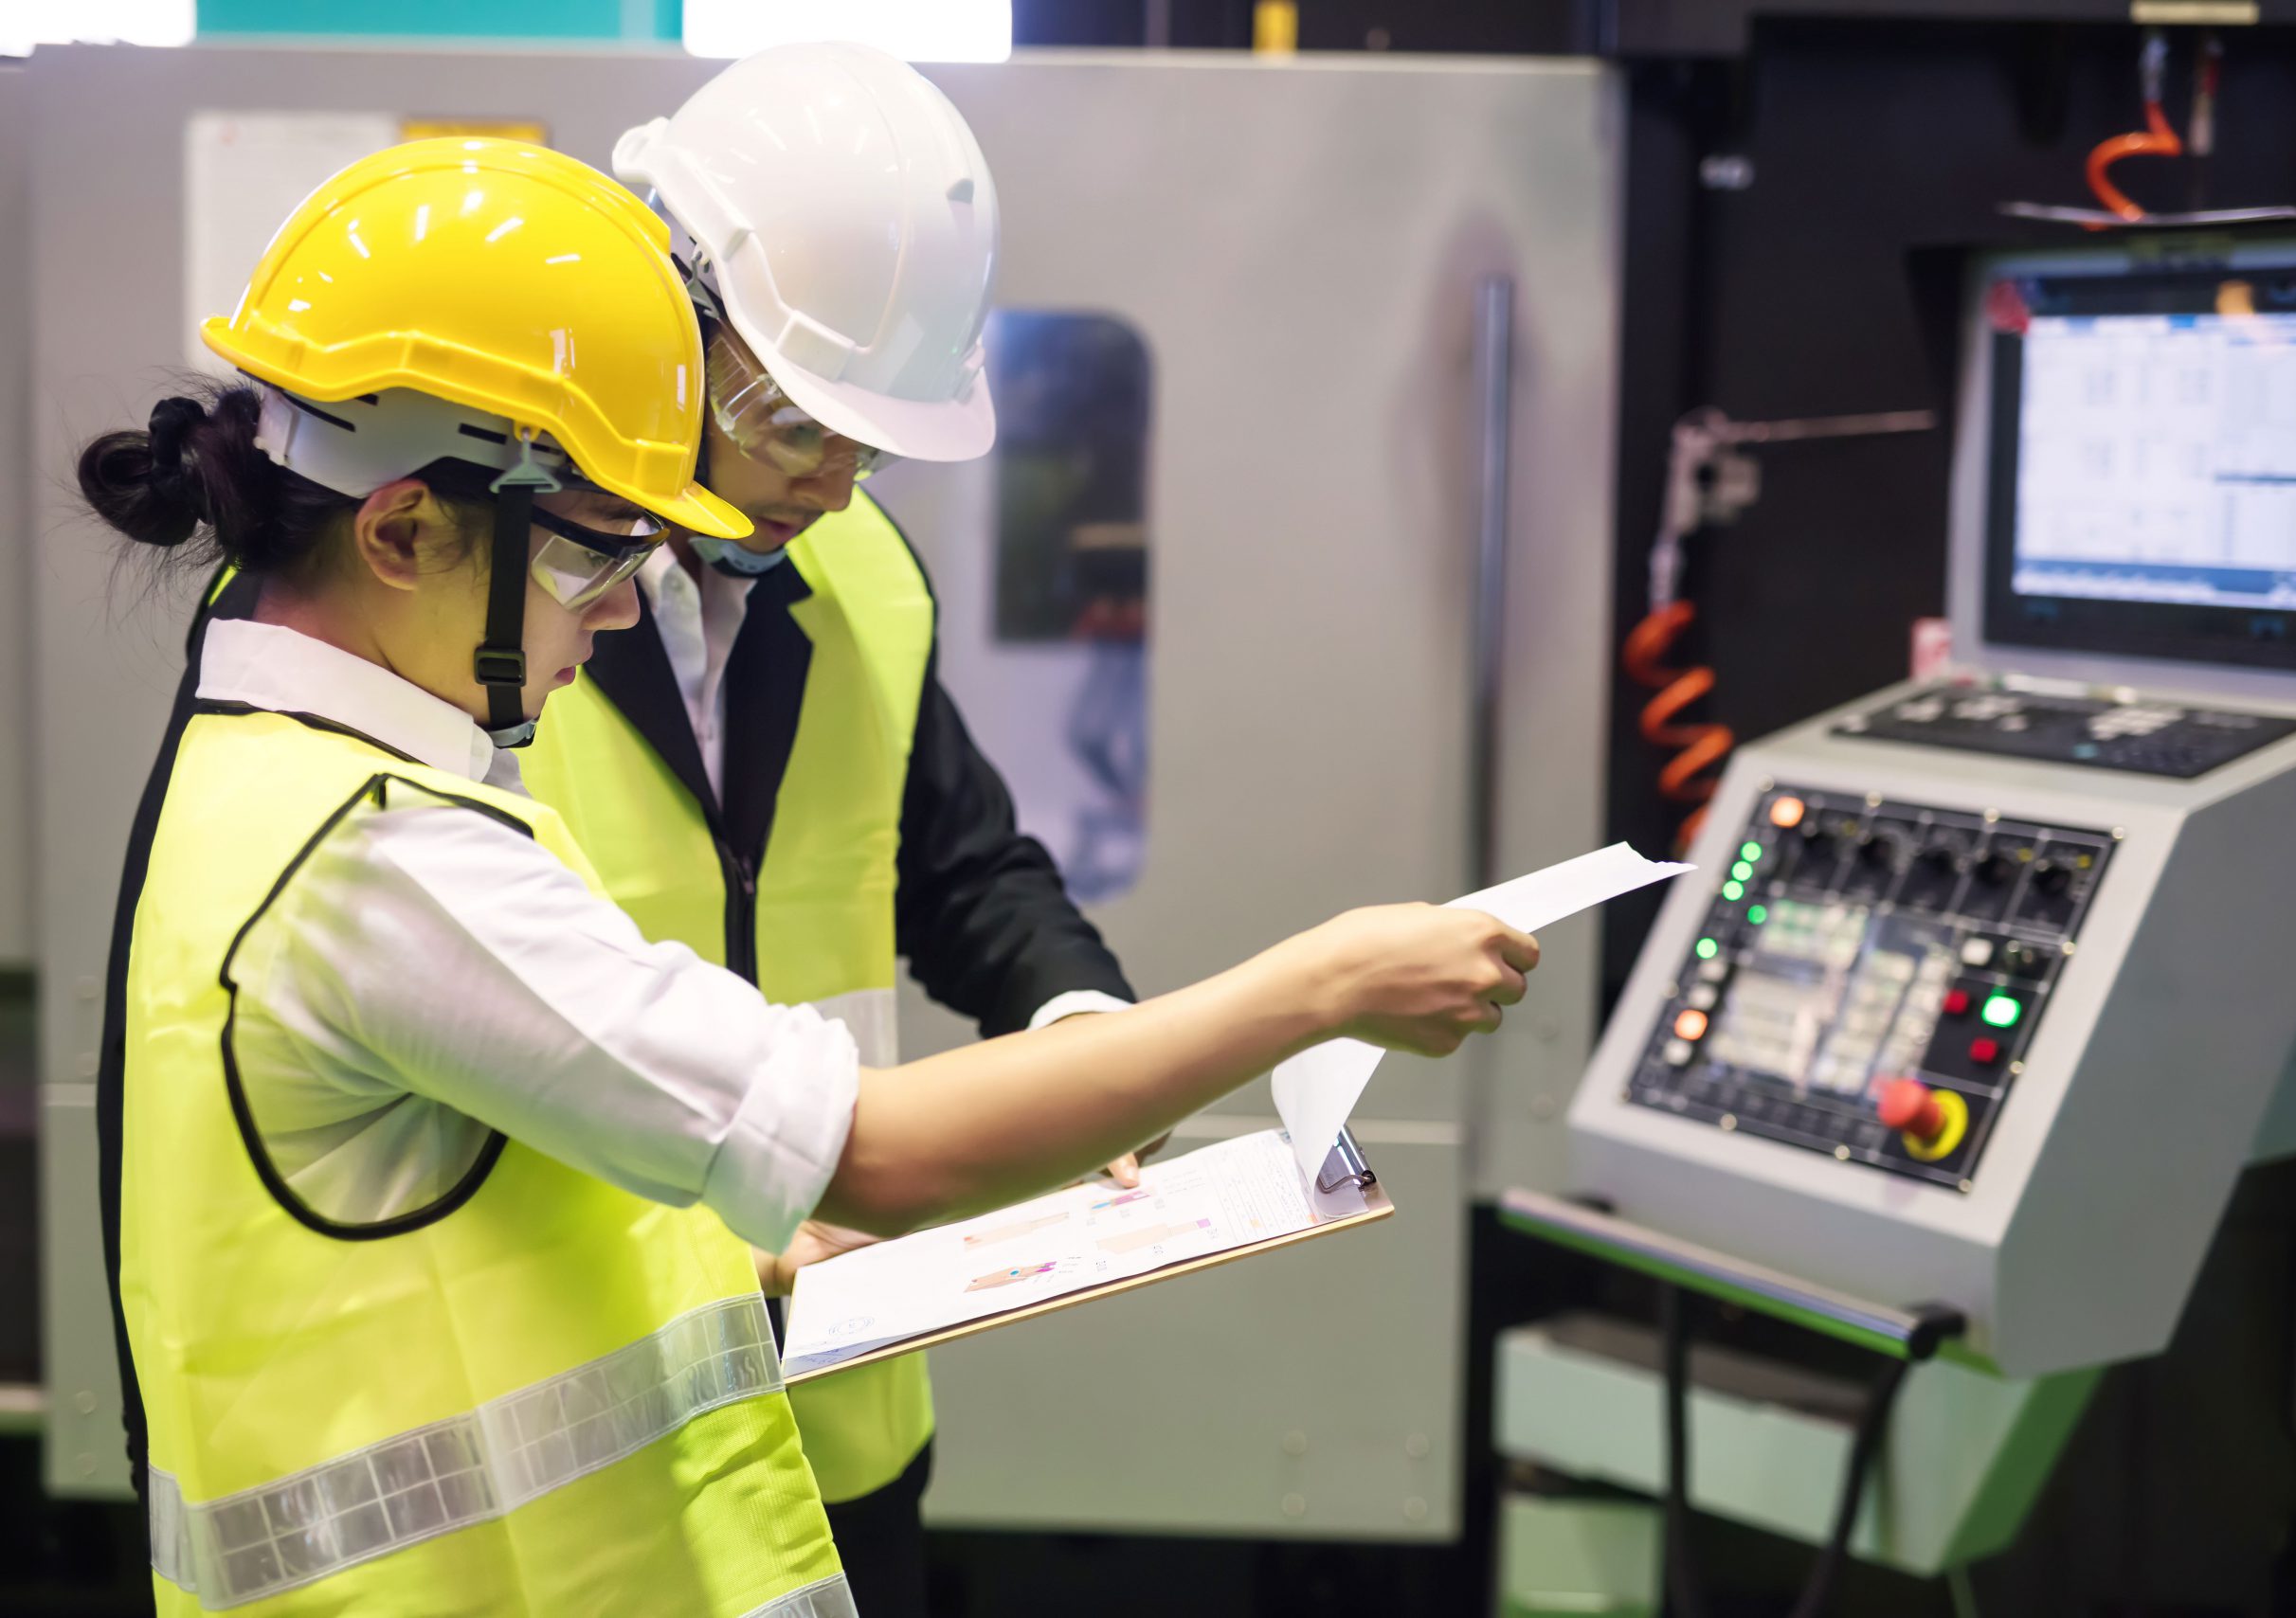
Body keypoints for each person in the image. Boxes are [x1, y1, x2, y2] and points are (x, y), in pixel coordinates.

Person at [90, 138, 1536, 1617]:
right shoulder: (383, 843)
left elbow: (956, 867)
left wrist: (1050, 1050)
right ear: (399, 529)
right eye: (597, 567)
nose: (609, 620)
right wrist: (1324, 986)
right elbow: (877, 1150)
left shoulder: (296, 737)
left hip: (798, 1373)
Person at [513, 46, 1119, 1607]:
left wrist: (1084, 1032)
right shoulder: (471, 610)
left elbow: (964, 871)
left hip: (838, 1420)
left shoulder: (866, 586)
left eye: (872, 440)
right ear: (670, 329)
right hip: (586, 1421)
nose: (840, 488)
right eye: (797, 427)